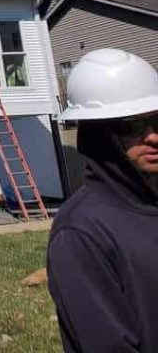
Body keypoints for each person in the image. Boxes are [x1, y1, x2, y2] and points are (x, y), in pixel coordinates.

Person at [47, 48, 158, 353]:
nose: (153, 137)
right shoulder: (80, 233)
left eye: (157, 121)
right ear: (100, 136)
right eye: (133, 127)